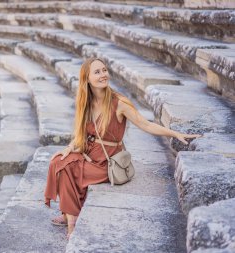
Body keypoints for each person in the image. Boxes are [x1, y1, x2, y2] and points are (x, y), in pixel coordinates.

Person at [44, 57, 201, 239]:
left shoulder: (119, 103)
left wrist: (173, 133)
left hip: (107, 162)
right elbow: (81, 134)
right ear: (86, 79)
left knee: (67, 168)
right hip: (88, 154)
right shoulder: (86, 102)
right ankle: (69, 212)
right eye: (97, 72)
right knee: (58, 160)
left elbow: (146, 125)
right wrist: (69, 147)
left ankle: (71, 220)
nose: (103, 75)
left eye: (104, 70)